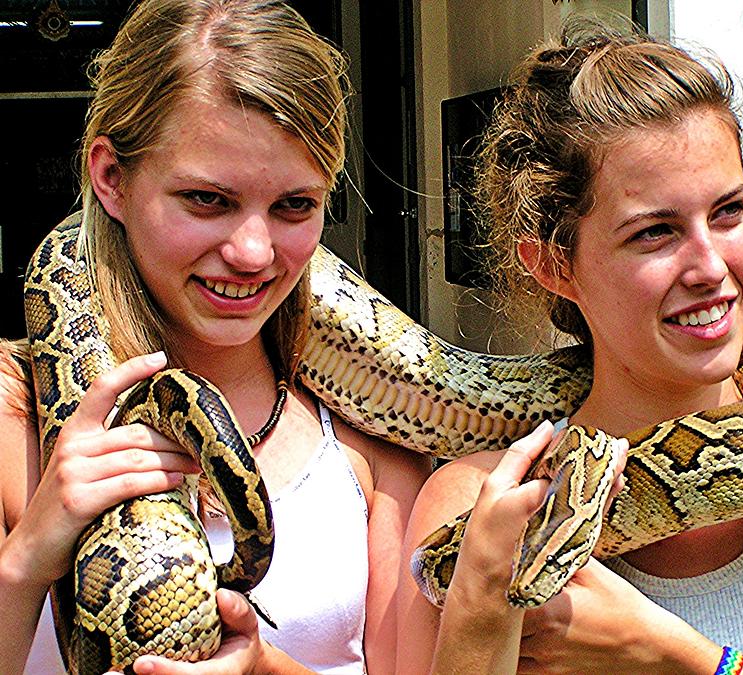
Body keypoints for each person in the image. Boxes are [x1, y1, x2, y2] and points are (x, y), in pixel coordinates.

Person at [396, 16, 743, 675]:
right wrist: (481, 617)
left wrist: (673, 654)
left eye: (728, 211)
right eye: (655, 233)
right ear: (553, 265)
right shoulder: (479, 504)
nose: (711, 266)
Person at [0, 1, 430, 673]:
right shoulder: (13, 415)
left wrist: (263, 667)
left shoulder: (371, 445)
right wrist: (26, 560)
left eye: (294, 204)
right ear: (110, 177)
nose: (254, 252)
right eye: (207, 199)